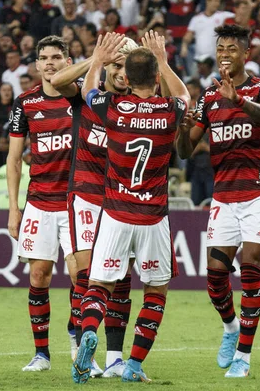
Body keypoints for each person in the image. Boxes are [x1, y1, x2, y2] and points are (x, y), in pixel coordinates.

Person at [73, 31, 189, 384]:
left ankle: (88, 331)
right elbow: (185, 95)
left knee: (98, 285)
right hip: (153, 217)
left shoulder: (113, 108)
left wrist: (97, 58)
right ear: (155, 78)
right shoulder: (169, 111)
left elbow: (87, 91)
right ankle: (134, 364)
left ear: (128, 77)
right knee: (154, 291)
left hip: (115, 212)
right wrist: (164, 60)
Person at [176, 25, 260, 378]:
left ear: (245, 54)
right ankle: (231, 328)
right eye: (220, 48)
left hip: (258, 191)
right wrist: (180, 128)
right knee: (215, 278)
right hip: (223, 195)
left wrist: (239, 101)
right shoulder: (207, 97)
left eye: (232, 48)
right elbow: (186, 151)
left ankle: (244, 358)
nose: (224, 54)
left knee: (250, 267)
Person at [51, 33, 139, 378]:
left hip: (120, 199)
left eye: (127, 67)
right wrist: (98, 58)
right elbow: (57, 80)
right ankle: (82, 347)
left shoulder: (139, 105)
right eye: (116, 66)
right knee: (86, 277)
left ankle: (116, 358)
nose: (121, 73)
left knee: (121, 278)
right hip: (86, 195)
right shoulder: (87, 98)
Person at [6, 35, 76, 372]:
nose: (49, 63)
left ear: (68, 61)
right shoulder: (25, 103)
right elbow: (14, 159)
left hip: (77, 203)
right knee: (39, 275)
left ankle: (77, 338)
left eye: (56, 57)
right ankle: (42, 354)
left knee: (82, 277)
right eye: (44, 58)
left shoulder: (81, 98)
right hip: (40, 202)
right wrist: (13, 208)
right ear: (36, 65)